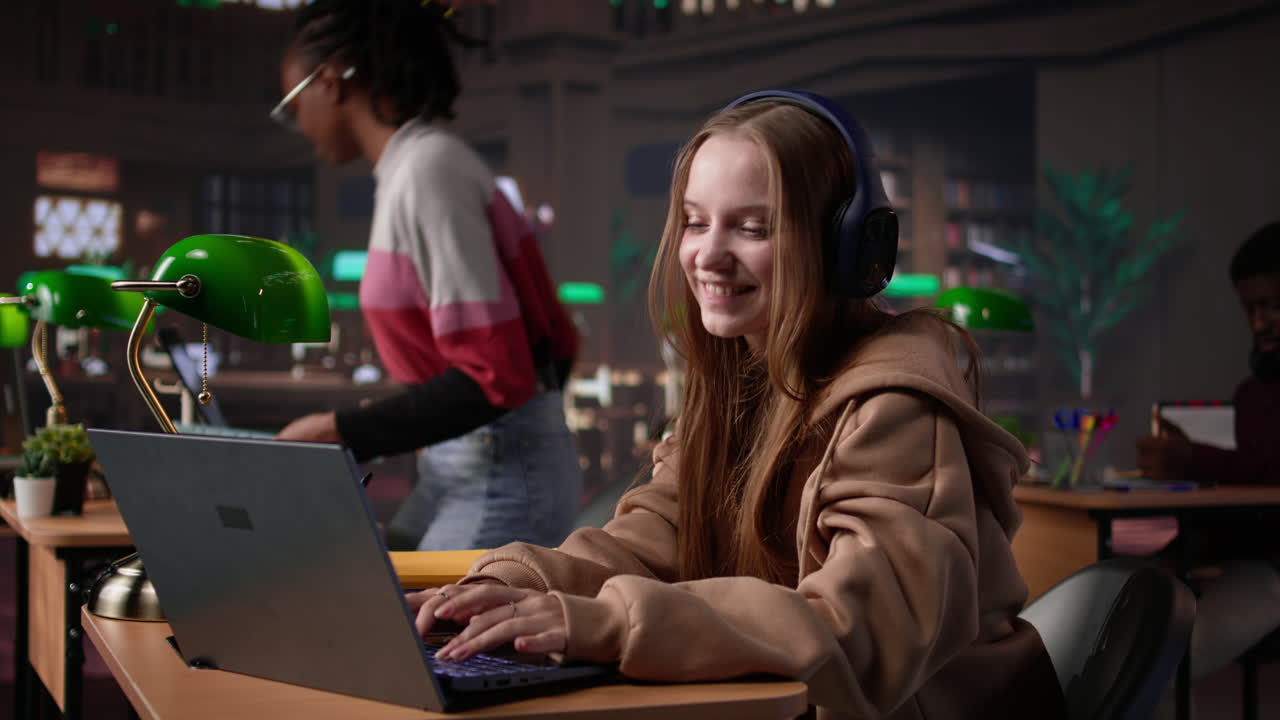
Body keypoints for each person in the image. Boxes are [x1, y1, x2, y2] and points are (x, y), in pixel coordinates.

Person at [405, 92, 1065, 719]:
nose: (708, 255)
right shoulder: (736, 380)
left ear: (846, 246)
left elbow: (863, 634)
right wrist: (512, 583)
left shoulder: (898, 409)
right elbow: (658, 535)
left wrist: (611, 622)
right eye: (695, 221)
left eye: (753, 227)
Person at [270, 0, 584, 552]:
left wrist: (337, 430)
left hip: (499, 470)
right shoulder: (409, 171)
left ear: (331, 81)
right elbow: (546, 352)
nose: (297, 125)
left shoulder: (427, 170)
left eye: (292, 106)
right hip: (467, 461)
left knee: (417, 634)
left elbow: (498, 375)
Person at [1135, 221, 1280, 681]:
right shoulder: (1254, 393)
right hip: (1246, 563)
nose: (1258, 324)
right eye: (1249, 309)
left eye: (1273, 307)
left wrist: (1192, 460)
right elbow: (1254, 494)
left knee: (1154, 668)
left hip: (1269, 576)